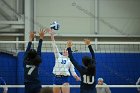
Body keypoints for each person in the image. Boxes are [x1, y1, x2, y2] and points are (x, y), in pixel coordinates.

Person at [47, 28, 81, 93]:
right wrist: (52, 36)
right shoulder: (58, 56)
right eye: (64, 50)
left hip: (65, 78)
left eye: (66, 50)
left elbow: (73, 71)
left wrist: (76, 77)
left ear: (68, 52)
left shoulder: (70, 60)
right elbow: (54, 46)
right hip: (56, 78)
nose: (65, 51)